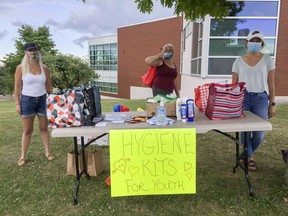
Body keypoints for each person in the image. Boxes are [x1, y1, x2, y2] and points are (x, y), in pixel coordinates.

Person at [232, 30, 276, 170]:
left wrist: (272, 103)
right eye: (253, 41)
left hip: (261, 99)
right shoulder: (238, 61)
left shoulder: (268, 60)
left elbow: (271, 84)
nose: (255, 44)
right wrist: (233, 101)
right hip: (243, 98)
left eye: (258, 41)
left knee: (259, 134)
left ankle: (245, 153)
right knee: (244, 131)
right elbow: (234, 84)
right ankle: (250, 158)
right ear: (247, 42)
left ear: (262, 44)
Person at [14, 42, 54, 166]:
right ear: (26, 53)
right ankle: (23, 156)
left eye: (35, 50)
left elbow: (49, 86)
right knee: (27, 130)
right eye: (30, 50)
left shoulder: (44, 68)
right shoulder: (21, 68)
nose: (33, 52)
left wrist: (52, 101)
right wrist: (17, 104)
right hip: (27, 101)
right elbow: (17, 87)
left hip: (42, 100)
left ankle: (47, 152)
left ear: (38, 52)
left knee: (43, 128)